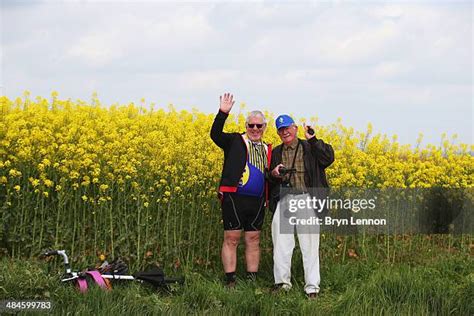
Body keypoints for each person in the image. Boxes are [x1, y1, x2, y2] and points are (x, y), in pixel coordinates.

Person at [269, 114, 334, 299]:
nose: (285, 132)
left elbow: (328, 158)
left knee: (310, 245)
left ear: (296, 128)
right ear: (278, 133)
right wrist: (273, 173)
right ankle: (282, 284)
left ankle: (312, 287)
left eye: (288, 128)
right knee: (281, 244)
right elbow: (269, 178)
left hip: (307, 199)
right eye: (281, 130)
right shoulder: (276, 152)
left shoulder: (309, 147)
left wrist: (313, 139)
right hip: (285, 200)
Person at [210, 93, 271, 287]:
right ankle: (231, 280)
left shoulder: (268, 149)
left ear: (264, 127)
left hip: (258, 201)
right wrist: (223, 113)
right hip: (234, 198)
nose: (254, 129)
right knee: (232, 238)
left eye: (258, 126)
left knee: (253, 238)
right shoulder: (235, 140)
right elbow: (215, 135)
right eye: (251, 125)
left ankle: (252, 280)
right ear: (246, 126)